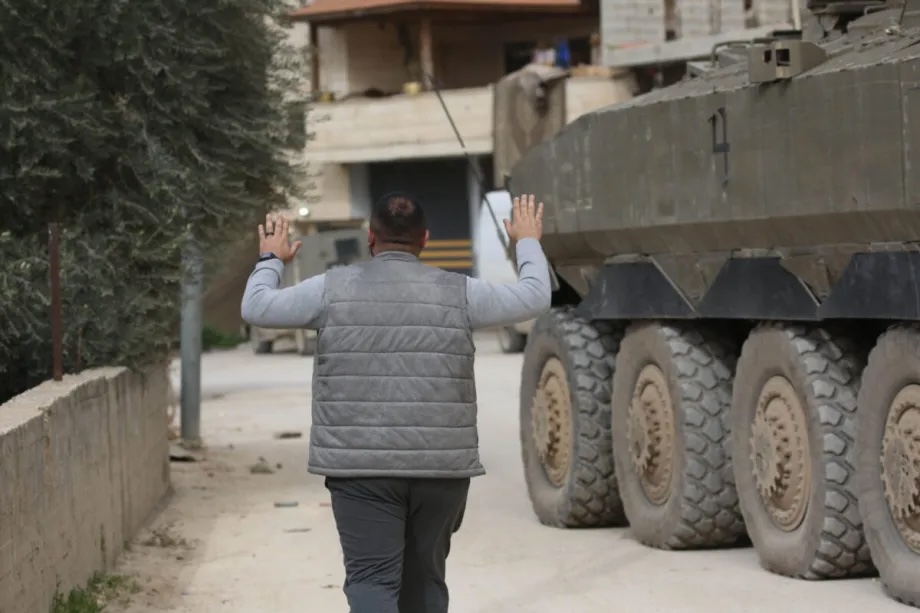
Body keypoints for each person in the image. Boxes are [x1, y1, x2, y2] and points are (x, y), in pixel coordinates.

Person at [240, 192, 551, 613]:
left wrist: (271, 259)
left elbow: (256, 306)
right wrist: (527, 240)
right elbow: (534, 296)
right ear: (425, 239)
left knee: (372, 582)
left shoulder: (331, 289)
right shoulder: (459, 292)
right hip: (440, 468)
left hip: (359, 469)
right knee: (425, 582)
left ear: (371, 238)